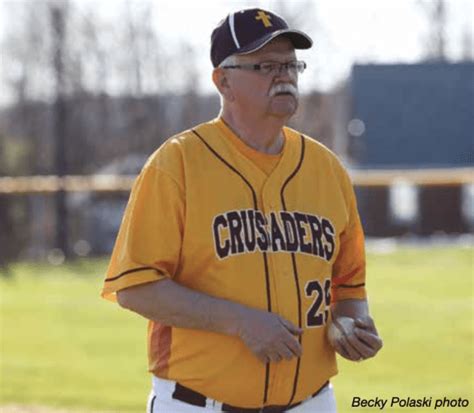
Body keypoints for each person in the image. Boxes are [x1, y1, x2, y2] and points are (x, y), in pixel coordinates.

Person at [101, 8, 383, 413]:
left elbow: (349, 286)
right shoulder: (177, 163)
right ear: (223, 81)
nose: (284, 75)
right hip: (199, 404)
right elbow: (135, 287)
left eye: (291, 64)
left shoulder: (327, 169)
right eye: (266, 65)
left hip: (312, 401)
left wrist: (352, 327)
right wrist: (240, 321)